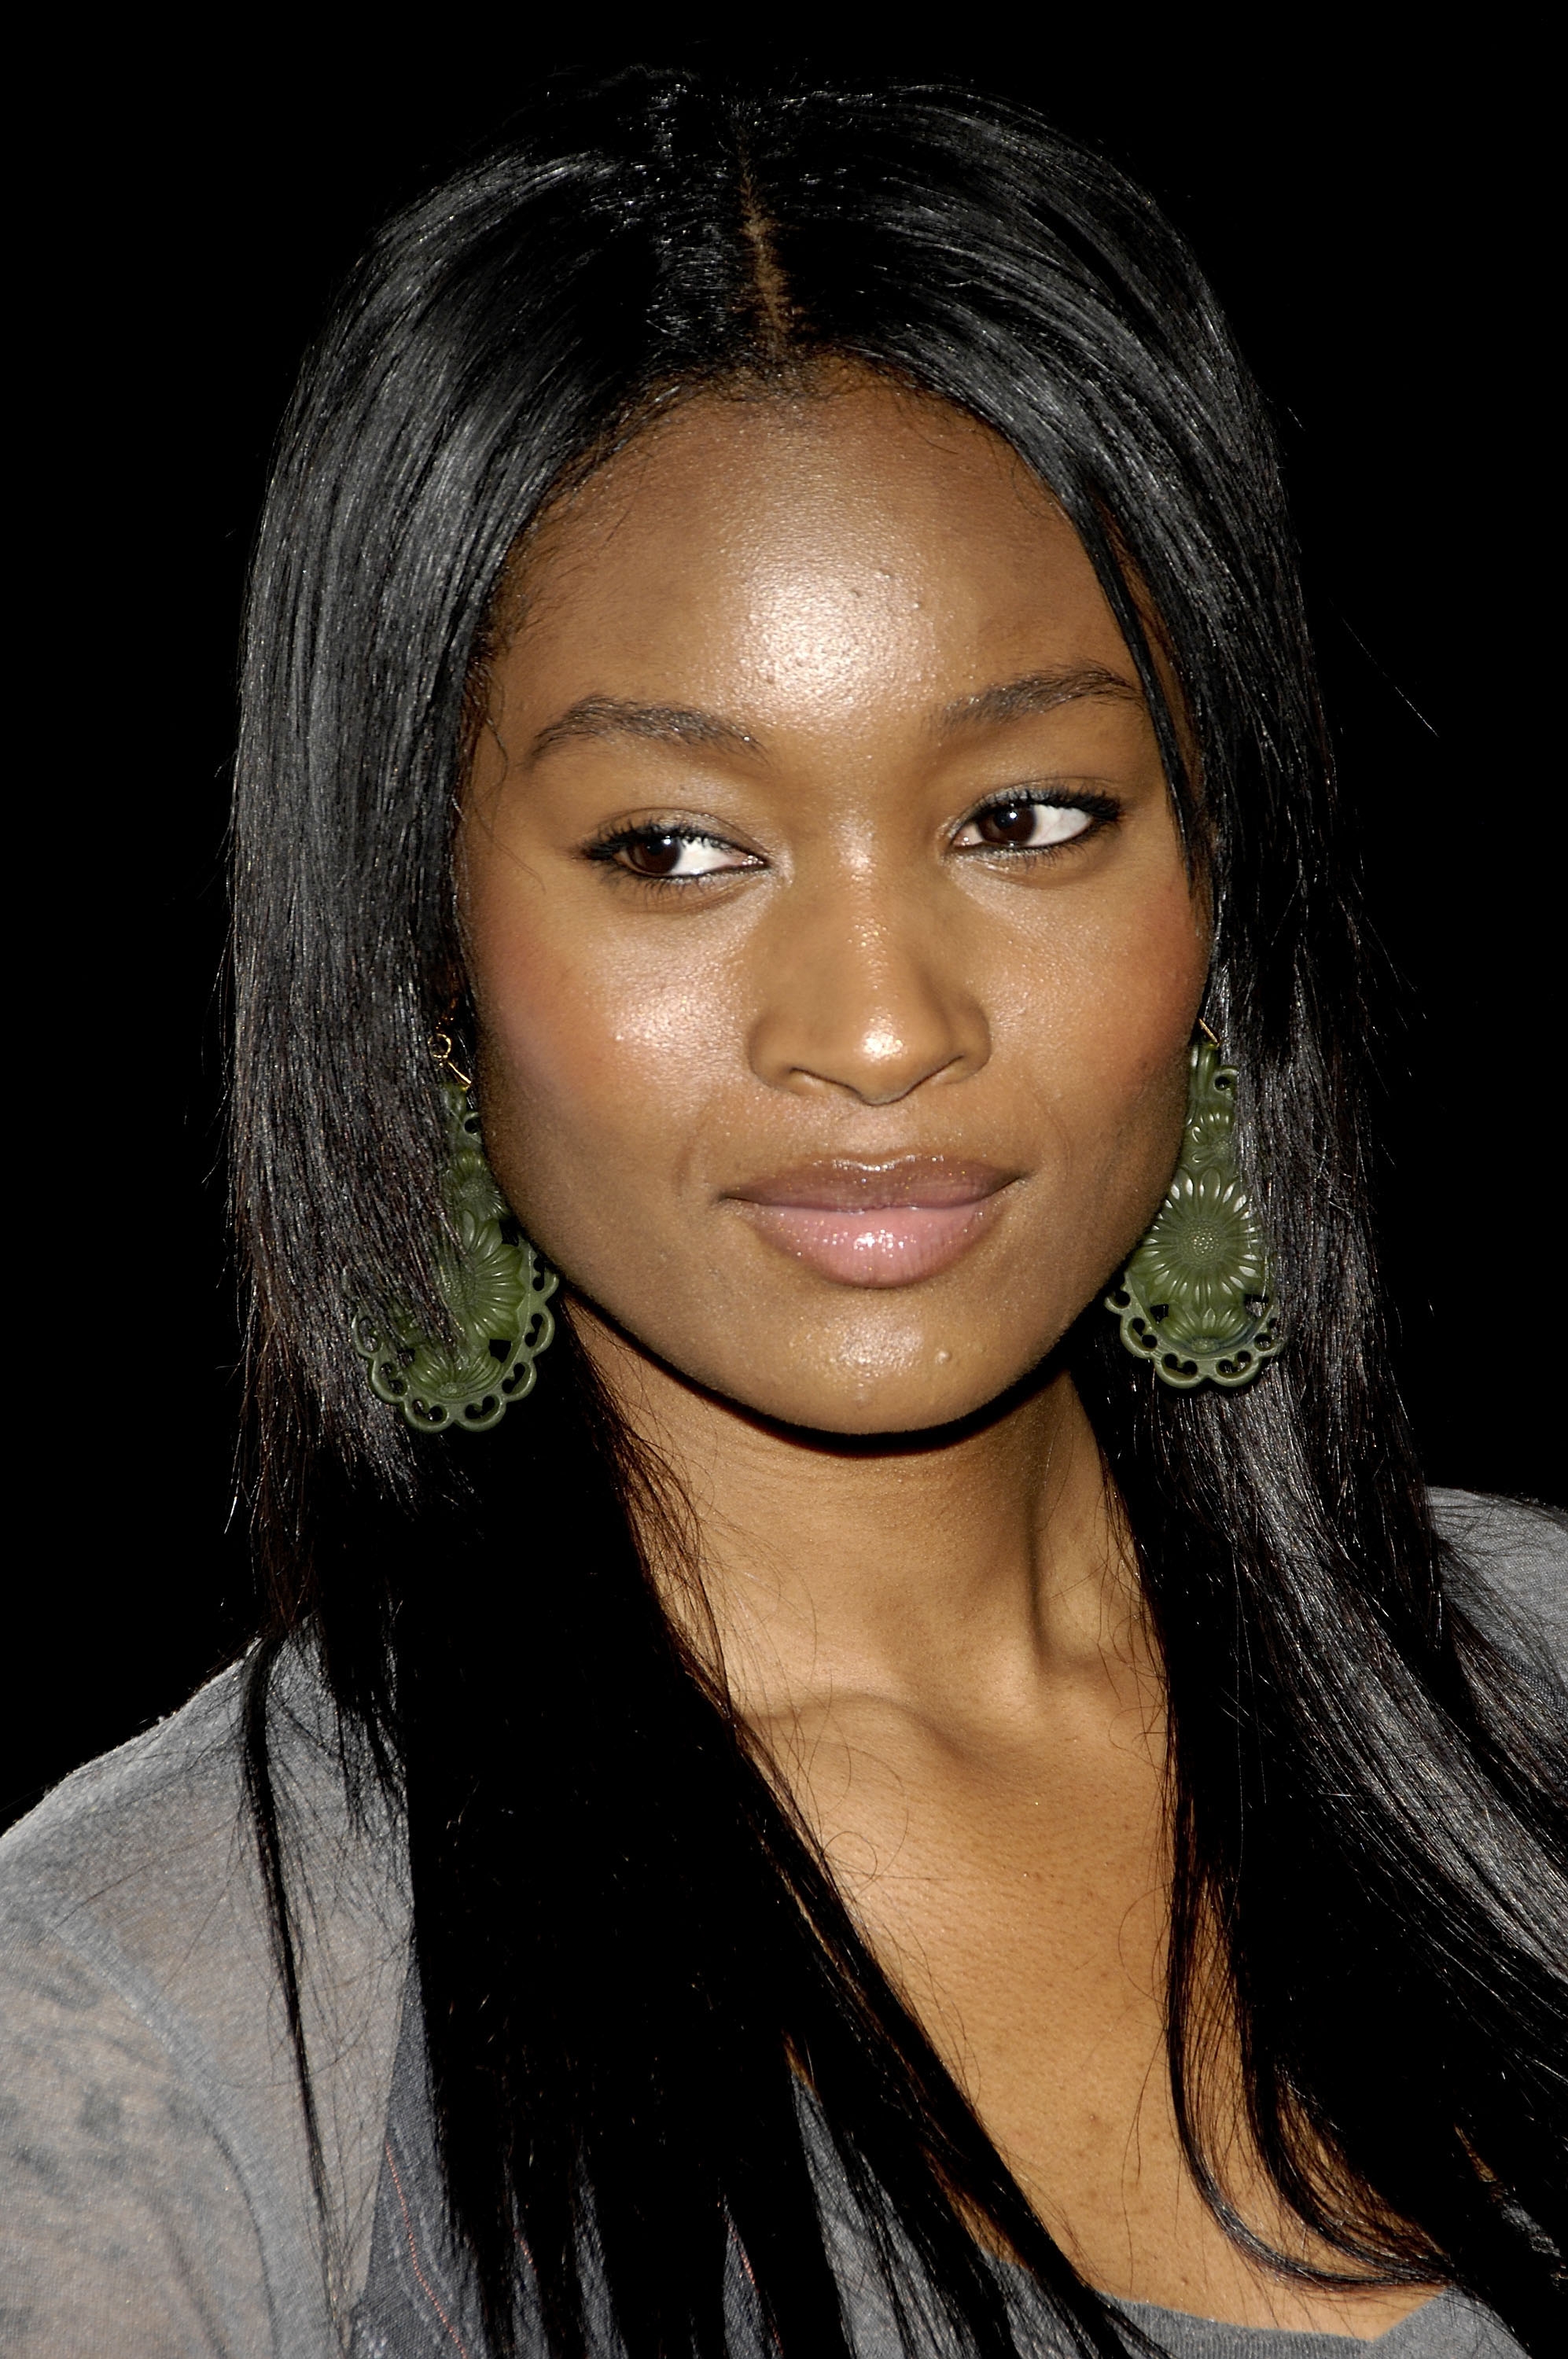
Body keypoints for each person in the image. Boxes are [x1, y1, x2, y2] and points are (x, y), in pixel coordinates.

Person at [2, 69, 1563, 2359]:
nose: (880, 1026)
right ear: (420, 946)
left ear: (1221, 885)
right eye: (675, 849)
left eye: (1027, 817)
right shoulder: (158, 2037)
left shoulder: (1539, 1688)